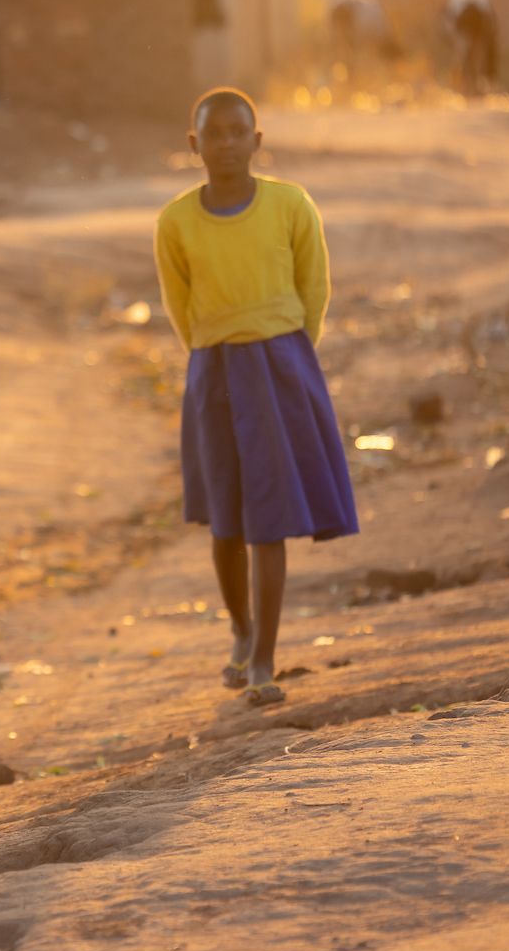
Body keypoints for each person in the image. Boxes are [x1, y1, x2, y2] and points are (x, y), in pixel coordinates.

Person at [153, 88, 358, 707]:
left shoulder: (290, 205)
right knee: (226, 519)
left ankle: (264, 662)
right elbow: (179, 305)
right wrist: (215, 352)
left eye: (238, 132)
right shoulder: (176, 222)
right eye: (213, 135)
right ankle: (241, 631)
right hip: (213, 370)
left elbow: (313, 289)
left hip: (281, 368)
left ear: (257, 141)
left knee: (270, 518)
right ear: (194, 145)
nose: (226, 145)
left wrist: (286, 352)